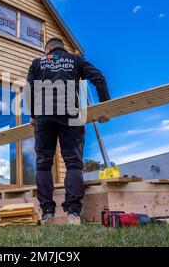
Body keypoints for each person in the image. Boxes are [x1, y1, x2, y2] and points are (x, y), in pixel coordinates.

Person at [26, 37, 110, 224]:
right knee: (73, 162)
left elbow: (29, 89)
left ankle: (47, 212)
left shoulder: (38, 62)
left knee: (44, 163)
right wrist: (105, 106)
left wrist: (33, 115)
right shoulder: (76, 60)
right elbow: (99, 78)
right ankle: (73, 213)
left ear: (47, 49)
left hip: (44, 116)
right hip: (71, 115)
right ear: (62, 48)